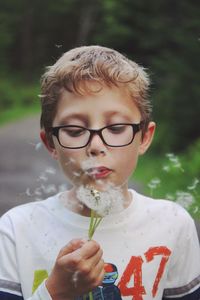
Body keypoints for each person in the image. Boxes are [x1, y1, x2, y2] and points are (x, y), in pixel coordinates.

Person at [0, 45, 199, 300]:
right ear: (51, 143)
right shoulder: (16, 231)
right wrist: (57, 292)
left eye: (116, 128)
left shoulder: (173, 224)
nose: (96, 146)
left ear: (144, 138)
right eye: (74, 131)